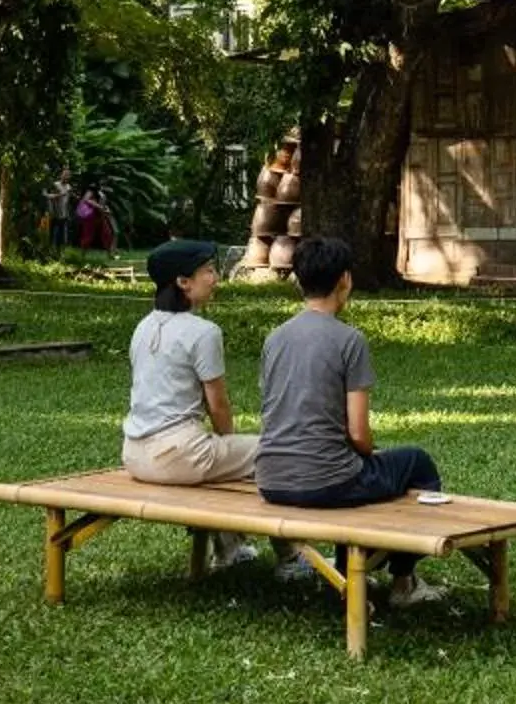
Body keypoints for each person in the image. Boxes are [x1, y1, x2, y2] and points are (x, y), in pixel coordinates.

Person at [256, 235, 446, 608]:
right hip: (326, 481)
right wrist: (368, 452)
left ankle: (348, 566)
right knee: (416, 463)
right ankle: (403, 582)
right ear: (345, 280)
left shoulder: (274, 339)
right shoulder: (349, 340)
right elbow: (358, 434)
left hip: (270, 478)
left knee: (357, 469)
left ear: (298, 280)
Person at [123, 238, 265, 572]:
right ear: (183, 282)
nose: (216, 278)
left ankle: (230, 548)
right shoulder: (204, 332)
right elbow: (218, 406)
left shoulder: (142, 327)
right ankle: (291, 559)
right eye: (208, 271)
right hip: (177, 456)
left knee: (224, 460)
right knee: (276, 452)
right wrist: (227, 438)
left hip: (134, 454)